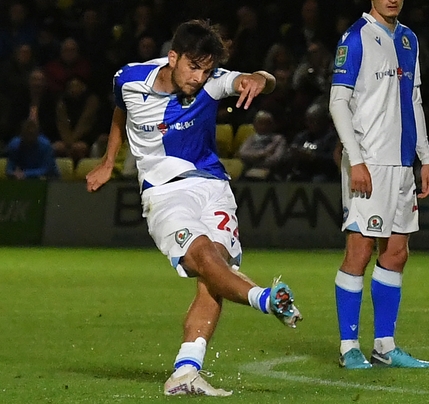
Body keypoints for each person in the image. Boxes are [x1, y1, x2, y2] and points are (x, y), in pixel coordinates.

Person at [85, 20, 302, 396]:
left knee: (214, 271)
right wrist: (109, 161)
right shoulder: (130, 78)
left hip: (215, 189)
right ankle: (264, 299)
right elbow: (121, 111)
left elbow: (260, 80)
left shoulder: (213, 81)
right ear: (173, 58)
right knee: (203, 257)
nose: (200, 77)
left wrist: (257, 78)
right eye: (193, 67)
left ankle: (186, 371)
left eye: (206, 69)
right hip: (165, 193)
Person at [328, 0, 429, 369]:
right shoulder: (355, 38)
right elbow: (338, 102)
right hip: (368, 161)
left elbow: (414, 101)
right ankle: (348, 346)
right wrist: (355, 160)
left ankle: (385, 345)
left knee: (396, 252)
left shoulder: (409, 39)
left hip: (402, 163)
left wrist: (424, 159)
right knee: (359, 249)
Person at [238, 110, 287, 181]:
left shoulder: (278, 139)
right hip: (250, 170)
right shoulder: (251, 138)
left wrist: (255, 161)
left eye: (267, 123)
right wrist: (262, 154)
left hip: (270, 171)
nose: (264, 126)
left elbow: (276, 158)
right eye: (261, 123)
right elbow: (242, 153)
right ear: (255, 125)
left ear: (272, 125)